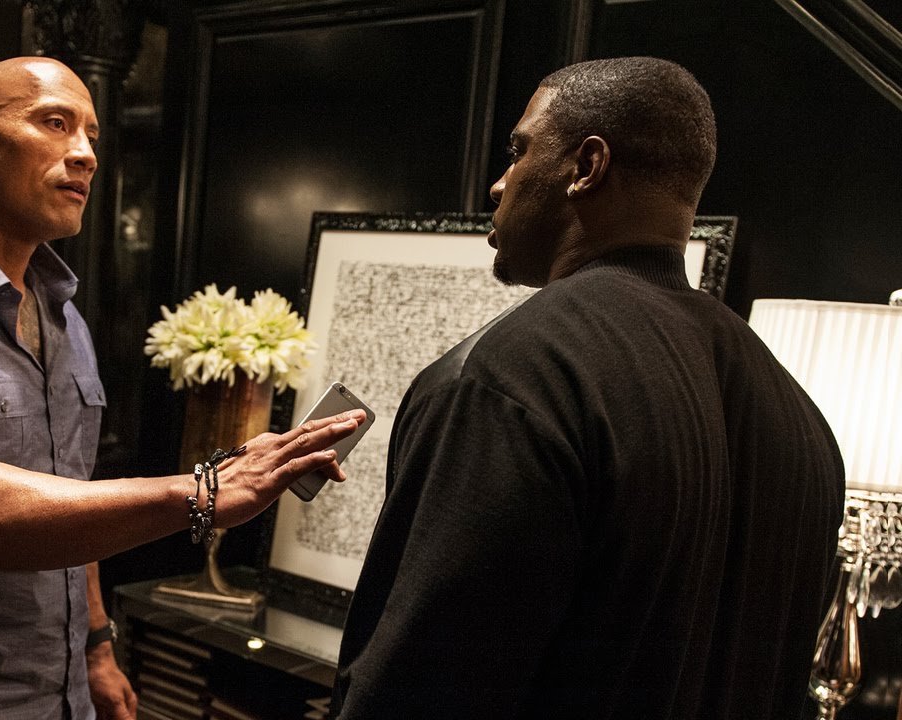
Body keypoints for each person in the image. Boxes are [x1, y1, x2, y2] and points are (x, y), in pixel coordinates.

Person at [0, 57, 363, 720]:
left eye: (92, 134)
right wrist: (202, 493)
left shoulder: (60, 312)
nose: (87, 153)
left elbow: (69, 488)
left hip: (63, 695)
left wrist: (96, 648)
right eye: (55, 123)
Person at [332, 57, 844, 718]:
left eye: (518, 151)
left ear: (587, 166)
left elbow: (418, 692)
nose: (498, 184)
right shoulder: (802, 418)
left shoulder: (509, 379)